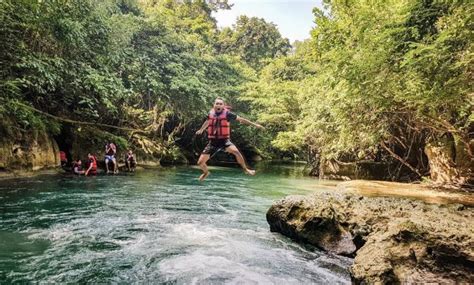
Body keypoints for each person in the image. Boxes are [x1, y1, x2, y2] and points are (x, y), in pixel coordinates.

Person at [195, 97, 264, 181]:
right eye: (217, 103)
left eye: (220, 104)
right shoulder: (210, 113)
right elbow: (207, 121)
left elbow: (241, 119)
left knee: (236, 152)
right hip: (212, 142)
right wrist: (201, 129)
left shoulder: (228, 114)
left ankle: (246, 169)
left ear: (223, 106)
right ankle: (206, 173)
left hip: (224, 141)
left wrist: (255, 125)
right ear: (214, 105)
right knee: (200, 163)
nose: (218, 105)